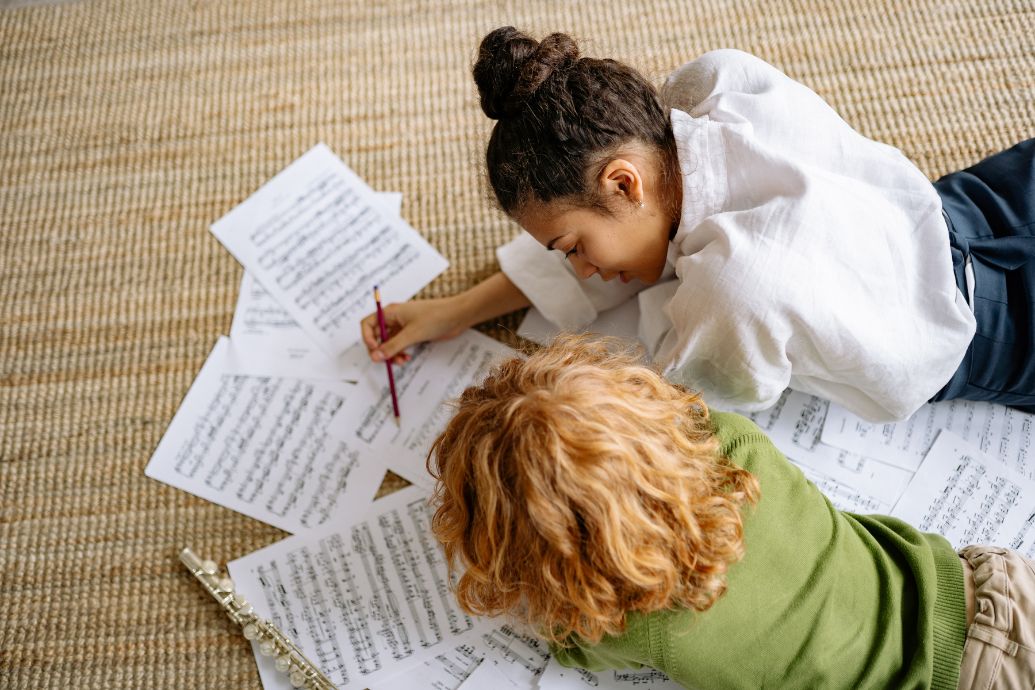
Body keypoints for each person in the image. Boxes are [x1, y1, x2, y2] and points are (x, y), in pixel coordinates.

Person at [361, 27, 1035, 422]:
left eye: (572, 249)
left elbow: (673, 408)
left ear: (623, 182)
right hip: (973, 204)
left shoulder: (730, 291)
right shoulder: (717, 83)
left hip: (986, 336)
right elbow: (630, 238)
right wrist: (457, 308)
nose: (583, 271)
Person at [427, 334, 1035, 689]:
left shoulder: (633, 624)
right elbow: (688, 420)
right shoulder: (737, 446)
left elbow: (567, 642)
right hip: (987, 589)